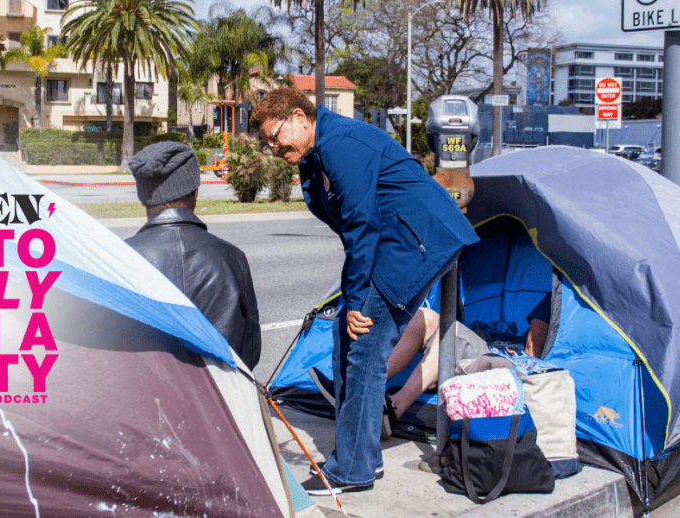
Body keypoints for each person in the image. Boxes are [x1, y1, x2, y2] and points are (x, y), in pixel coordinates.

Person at [251, 88, 479, 495]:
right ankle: (364, 457)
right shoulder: (316, 154)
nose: (272, 149)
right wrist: (352, 299)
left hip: (419, 242)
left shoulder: (339, 144)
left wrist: (356, 301)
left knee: (364, 346)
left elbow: (361, 225)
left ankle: (351, 470)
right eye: (266, 142)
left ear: (301, 118)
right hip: (396, 243)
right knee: (346, 338)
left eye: (275, 137)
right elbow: (353, 228)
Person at [124, 141, 262, 370]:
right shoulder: (233, 257)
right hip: (218, 397)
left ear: (143, 198)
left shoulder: (120, 258)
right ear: (195, 193)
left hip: (145, 399)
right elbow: (249, 353)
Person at [385, 293, 552, 424]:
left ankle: (396, 406)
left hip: (504, 365)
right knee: (424, 317)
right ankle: (371, 388)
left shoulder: (558, 295)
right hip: (498, 348)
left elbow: (532, 346)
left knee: (451, 332)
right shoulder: (562, 294)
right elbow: (533, 341)